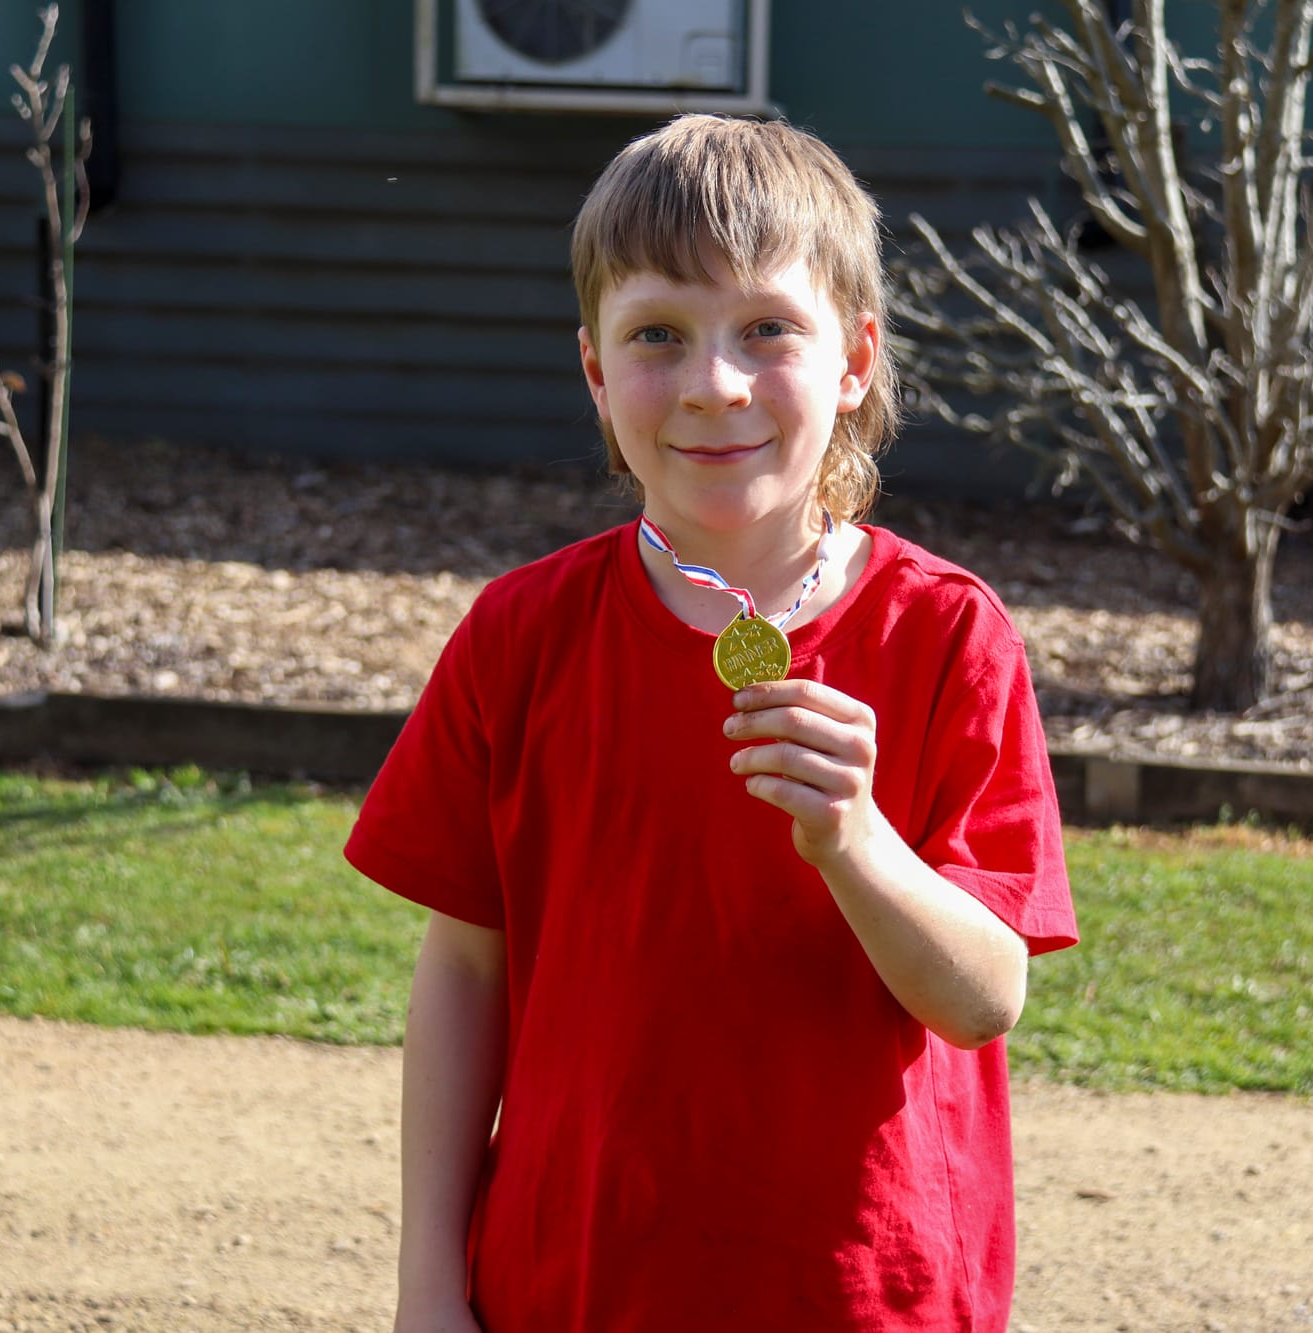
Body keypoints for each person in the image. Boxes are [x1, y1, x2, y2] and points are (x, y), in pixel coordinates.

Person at [345, 113, 1078, 1333]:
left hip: (859, 1290)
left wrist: (854, 839)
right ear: (593, 369)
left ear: (853, 359)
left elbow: (983, 994)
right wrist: (429, 1287)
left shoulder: (948, 634)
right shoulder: (520, 636)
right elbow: (465, 967)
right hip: (569, 1281)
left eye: (768, 330)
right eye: (657, 336)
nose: (712, 383)